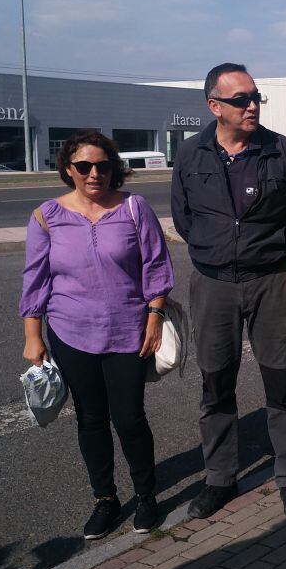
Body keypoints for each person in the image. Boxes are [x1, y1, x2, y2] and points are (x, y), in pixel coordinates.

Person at [171, 63, 286, 520]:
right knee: (216, 384)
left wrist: (269, 254)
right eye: (240, 99)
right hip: (213, 285)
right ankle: (220, 478)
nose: (252, 105)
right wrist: (216, 253)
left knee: (282, 381)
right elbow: (184, 218)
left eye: (255, 97)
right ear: (214, 106)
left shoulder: (283, 153)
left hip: (270, 281)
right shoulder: (191, 155)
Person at [20, 130, 173, 540]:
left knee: (129, 418)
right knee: (90, 420)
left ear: (114, 168)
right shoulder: (46, 216)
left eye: (103, 166)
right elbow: (35, 281)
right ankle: (105, 499)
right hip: (70, 333)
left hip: (129, 332)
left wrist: (155, 316)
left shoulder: (134, 209)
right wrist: (33, 337)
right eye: (84, 166)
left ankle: (146, 496)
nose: (94, 174)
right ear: (68, 169)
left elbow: (155, 267)